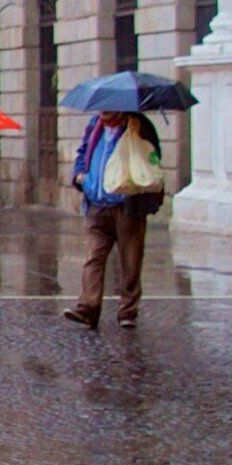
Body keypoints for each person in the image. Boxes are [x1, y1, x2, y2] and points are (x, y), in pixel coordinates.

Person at [63, 108, 163, 327]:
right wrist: (79, 176)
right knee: (93, 258)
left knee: (130, 260)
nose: (103, 113)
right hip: (96, 204)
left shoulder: (139, 126)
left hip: (126, 206)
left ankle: (127, 311)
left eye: (108, 109)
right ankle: (88, 308)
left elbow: (152, 158)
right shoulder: (94, 124)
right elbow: (83, 152)